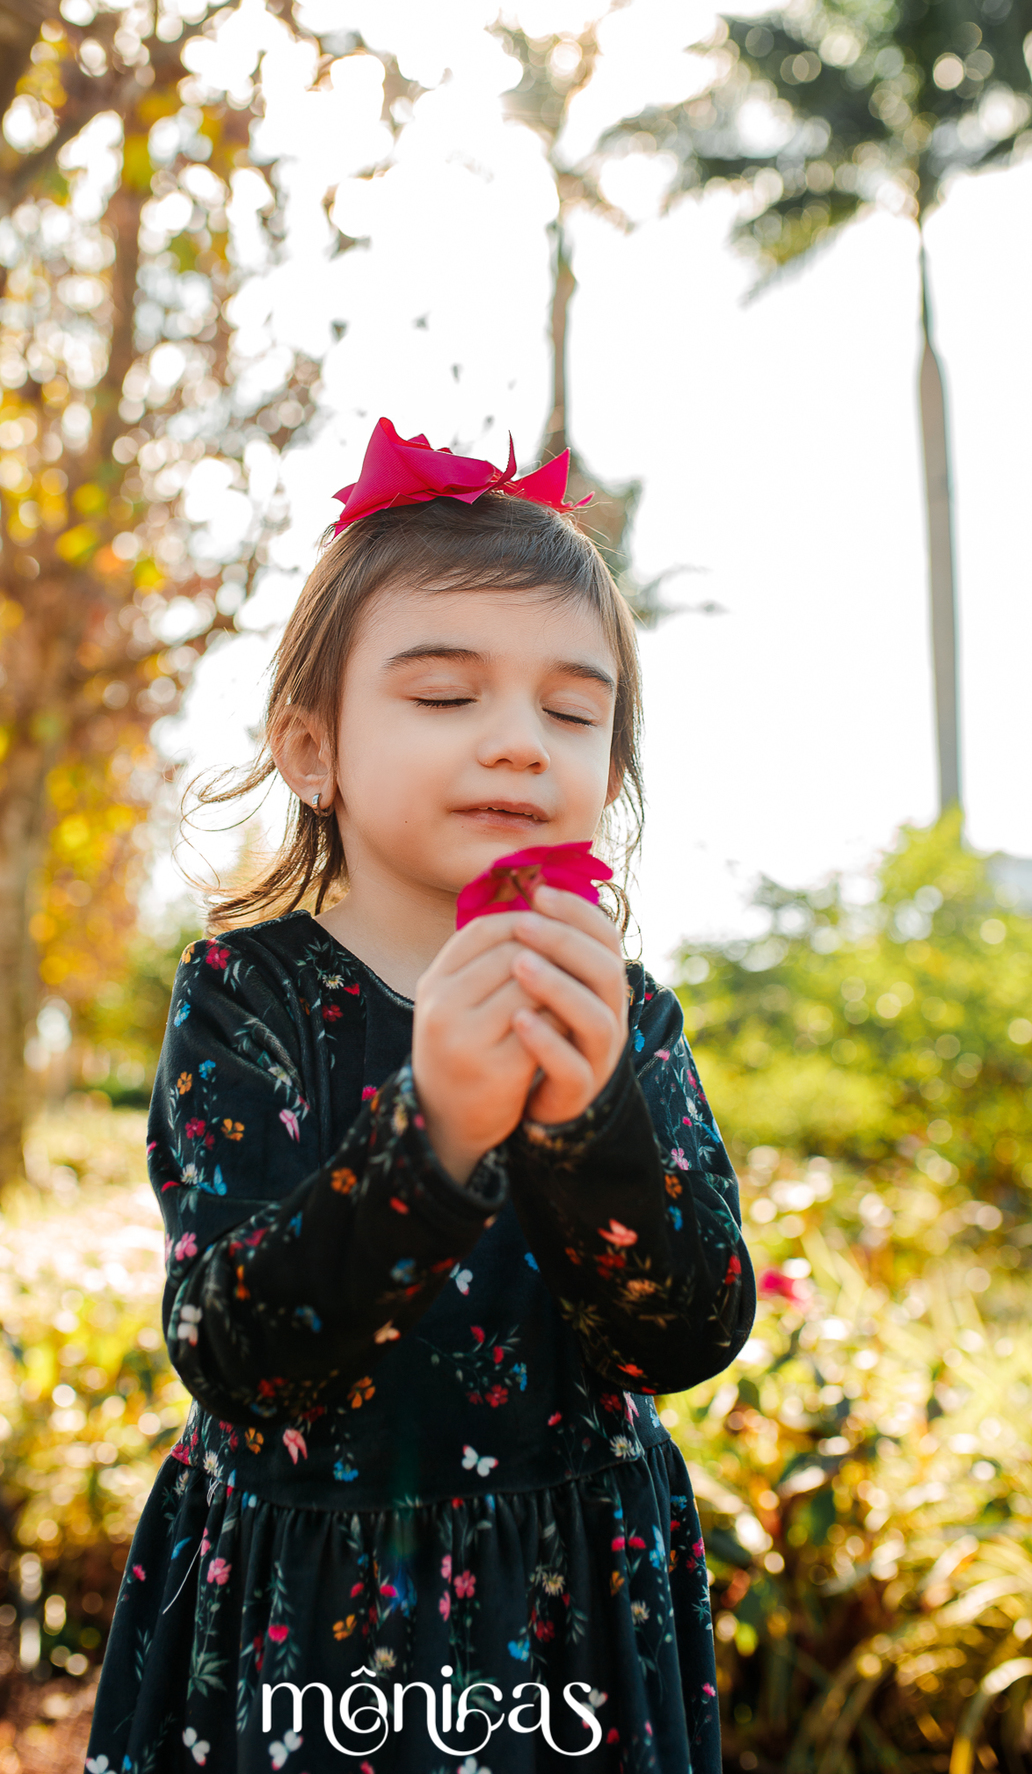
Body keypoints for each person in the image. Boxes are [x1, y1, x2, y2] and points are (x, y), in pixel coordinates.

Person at [84, 418, 755, 1774]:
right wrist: (435, 1135)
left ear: (608, 771)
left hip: (571, 1592)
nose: (518, 743)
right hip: (314, 1616)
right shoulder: (248, 996)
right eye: (446, 696)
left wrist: (587, 1114)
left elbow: (685, 1331)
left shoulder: (626, 1012)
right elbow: (235, 1349)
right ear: (312, 748)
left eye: (572, 711)